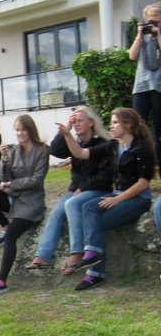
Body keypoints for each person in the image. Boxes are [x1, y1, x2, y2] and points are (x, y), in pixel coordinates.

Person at [60, 107, 156, 291]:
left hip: (137, 199)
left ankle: (93, 272)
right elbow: (81, 153)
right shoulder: (113, 145)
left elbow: (143, 183)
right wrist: (67, 135)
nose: (110, 127)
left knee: (94, 220)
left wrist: (116, 200)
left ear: (127, 125)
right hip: (117, 195)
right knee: (89, 209)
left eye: (115, 123)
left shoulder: (141, 148)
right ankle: (93, 264)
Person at [25, 106, 113, 273]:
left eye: (80, 121)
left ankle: (77, 252)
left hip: (98, 190)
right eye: (75, 121)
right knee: (56, 212)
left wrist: (83, 188)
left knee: (71, 204)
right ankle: (42, 256)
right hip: (78, 190)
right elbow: (55, 150)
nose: (77, 124)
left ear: (91, 123)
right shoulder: (75, 143)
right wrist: (67, 128)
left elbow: (104, 177)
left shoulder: (103, 144)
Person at [0, 114, 49, 297]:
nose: (20, 133)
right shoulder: (13, 150)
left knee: (10, 238)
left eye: (23, 130)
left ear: (30, 130)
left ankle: (1, 281)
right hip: (14, 198)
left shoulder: (42, 150)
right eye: (17, 130)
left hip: (30, 203)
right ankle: (5, 224)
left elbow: (37, 180)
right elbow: (4, 178)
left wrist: (12, 185)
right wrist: (3, 158)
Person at [129, 4, 161, 162]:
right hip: (141, 86)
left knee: (158, 130)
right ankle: (141, 164)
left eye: (156, 22)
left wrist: (158, 35)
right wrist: (139, 34)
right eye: (151, 22)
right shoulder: (143, 35)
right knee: (138, 126)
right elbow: (132, 56)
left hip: (159, 87)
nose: (153, 25)